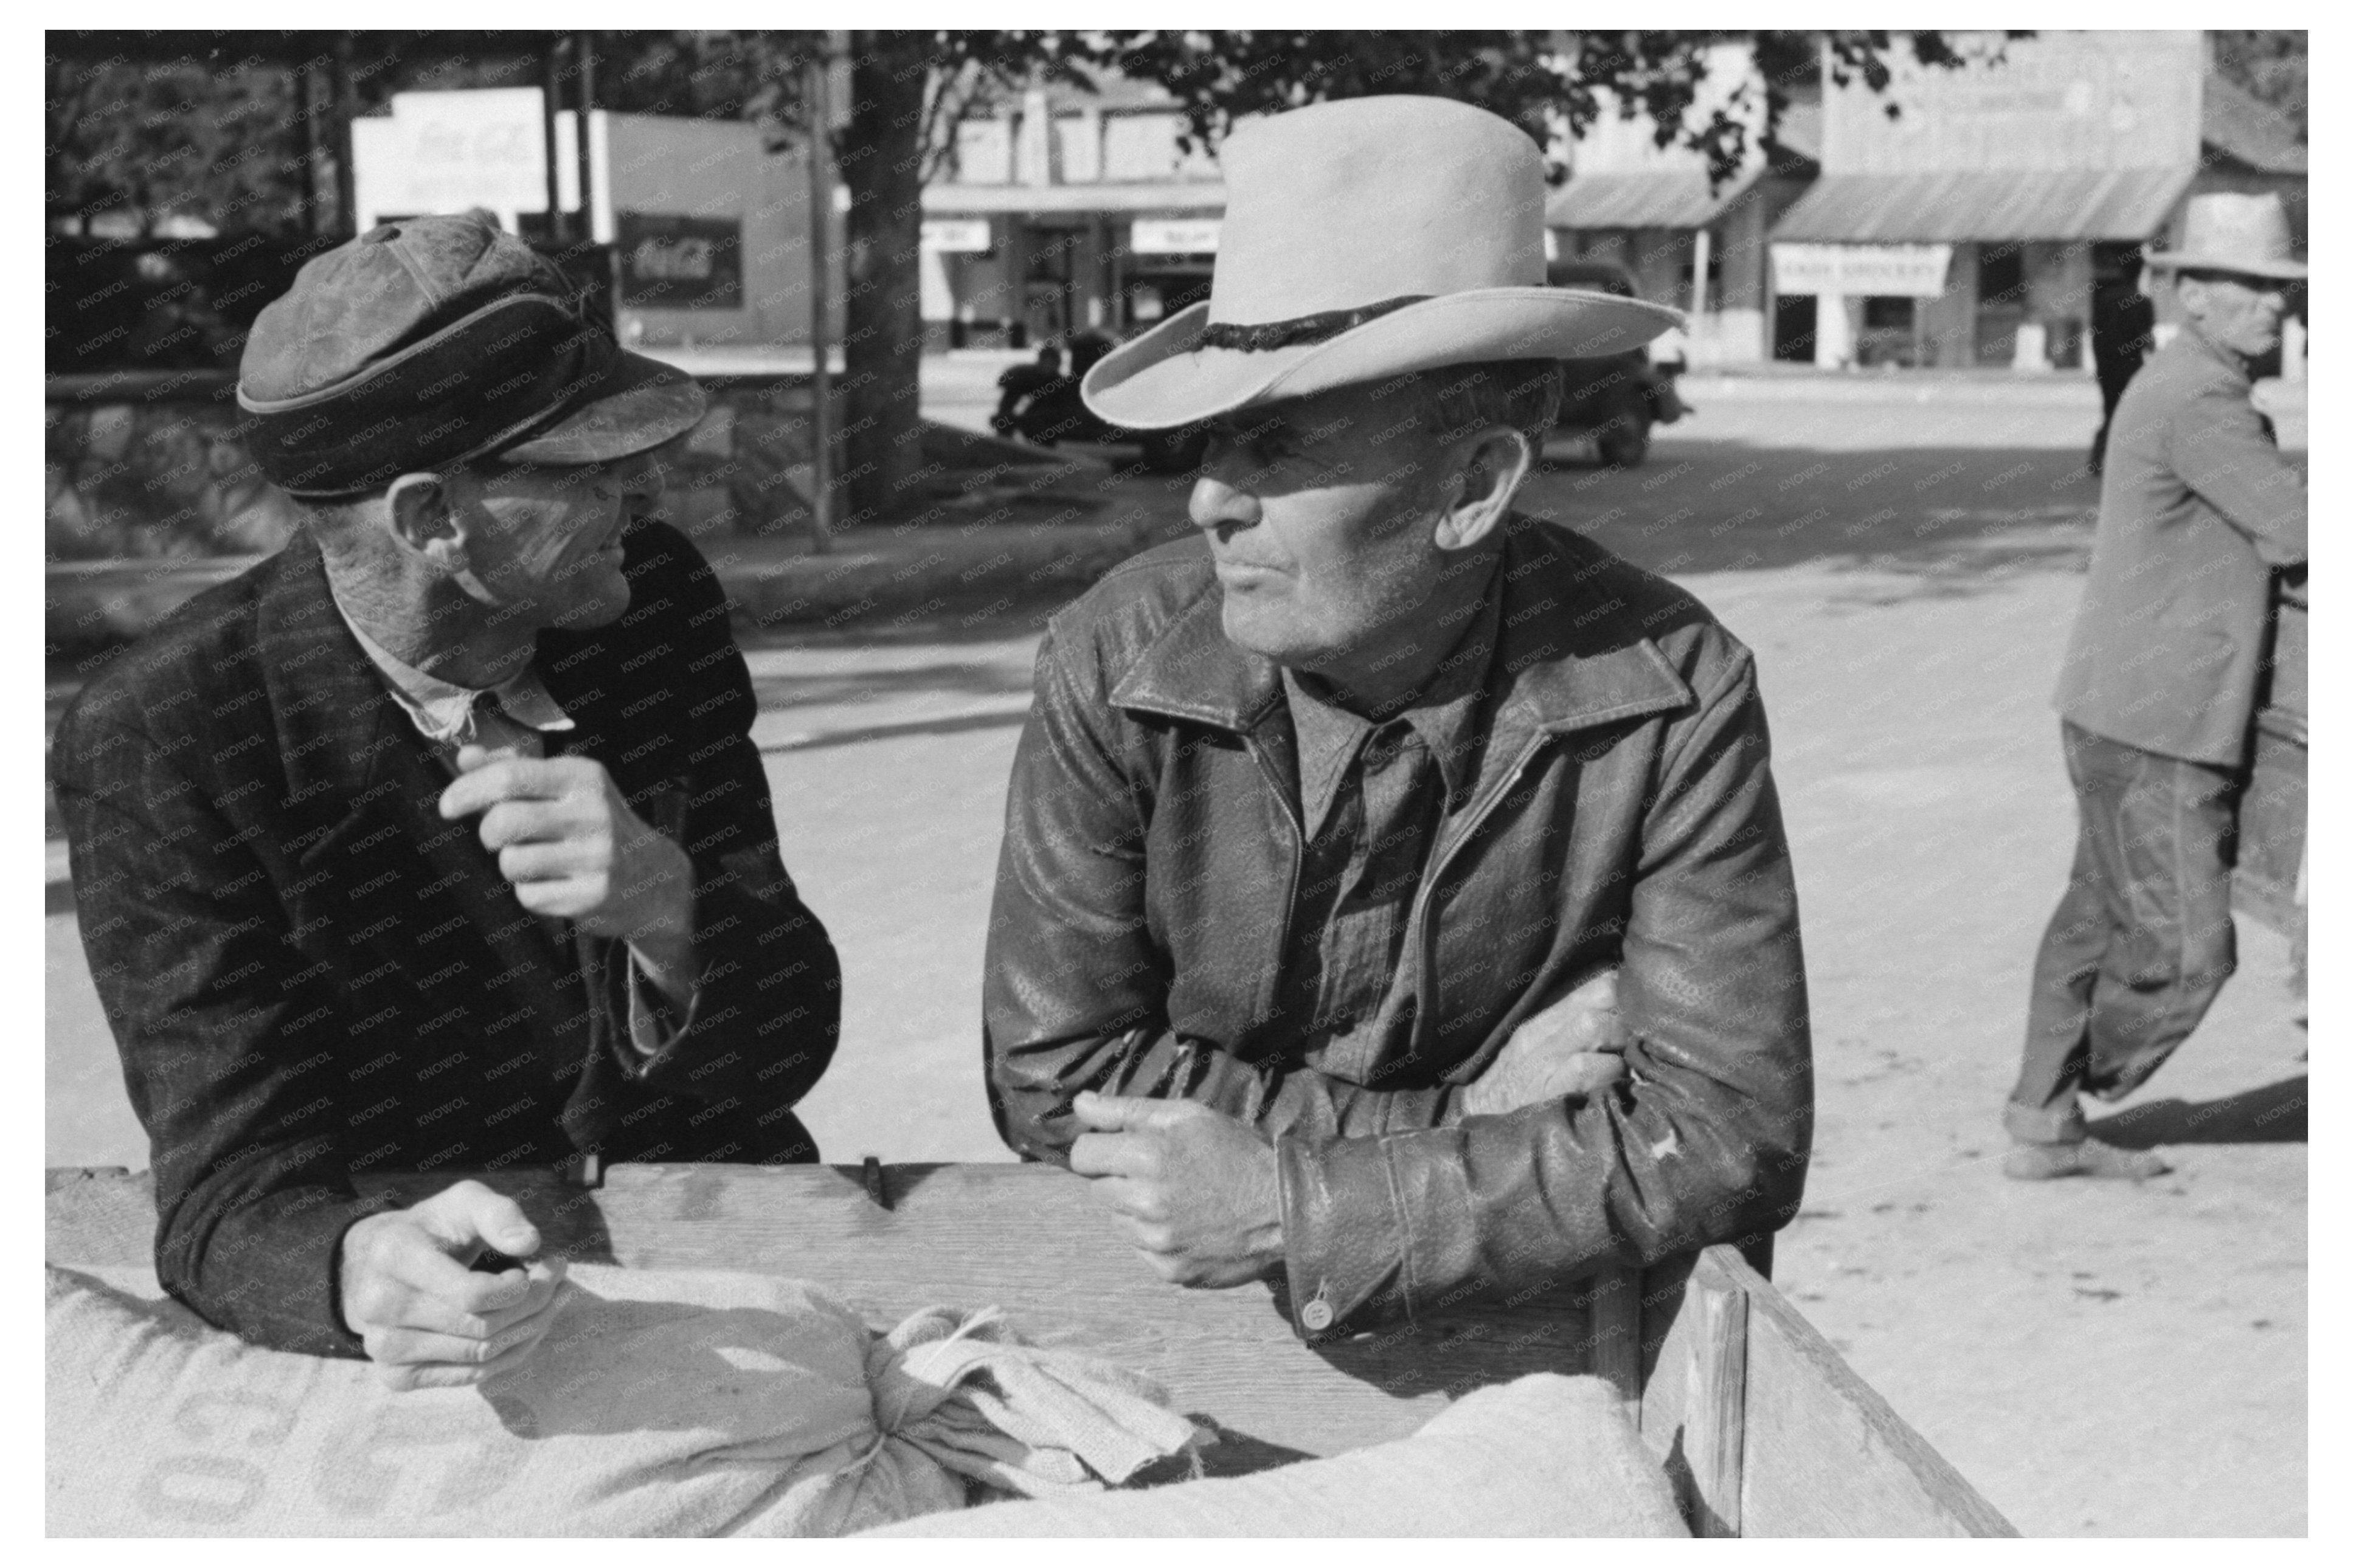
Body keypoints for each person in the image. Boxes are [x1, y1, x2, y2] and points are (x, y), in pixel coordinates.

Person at [980, 97, 1812, 1339]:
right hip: (1201, 1324)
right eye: (1213, 439)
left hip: (1555, 1349)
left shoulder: (1667, 688)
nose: (1209, 495)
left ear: (1471, 487)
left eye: (1276, 446)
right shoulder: (1113, 656)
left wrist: (1288, 1199)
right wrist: (1463, 1121)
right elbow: (1056, 1075)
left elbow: (1723, 1132)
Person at [52, 213, 842, 1382]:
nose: (645, 487)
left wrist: (670, 913)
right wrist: (360, 1263)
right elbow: (232, 1196)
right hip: (442, 1349)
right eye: (591, 465)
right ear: (431, 518)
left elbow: (787, 1047)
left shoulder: (652, 604)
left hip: (727, 1269)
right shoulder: (170, 730)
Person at [2005, 192, 2307, 1179]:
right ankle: (2084, 1080)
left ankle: (2039, 1121)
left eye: (2280, 289)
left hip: (2115, 704)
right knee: (2187, 951)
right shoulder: (2200, 403)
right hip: (2159, 726)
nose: (2275, 309)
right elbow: (2299, 532)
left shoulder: (2181, 385)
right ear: (2188, 294)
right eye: (2251, 288)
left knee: (2092, 914)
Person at [2085, 243, 2157, 477]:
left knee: (2111, 411)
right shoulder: (2142, 302)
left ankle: (2100, 457)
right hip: (2131, 366)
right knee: (2133, 415)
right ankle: (2128, 460)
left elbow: (2096, 335)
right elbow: (2148, 341)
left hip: (2107, 365)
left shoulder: (2104, 300)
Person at [993, 344, 1064, 438]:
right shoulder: (1023, 374)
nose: (1049, 367)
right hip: (1019, 416)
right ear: (1040, 362)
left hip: (1040, 422)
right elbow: (1008, 389)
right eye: (1046, 363)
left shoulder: (1058, 382)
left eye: (1052, 364)